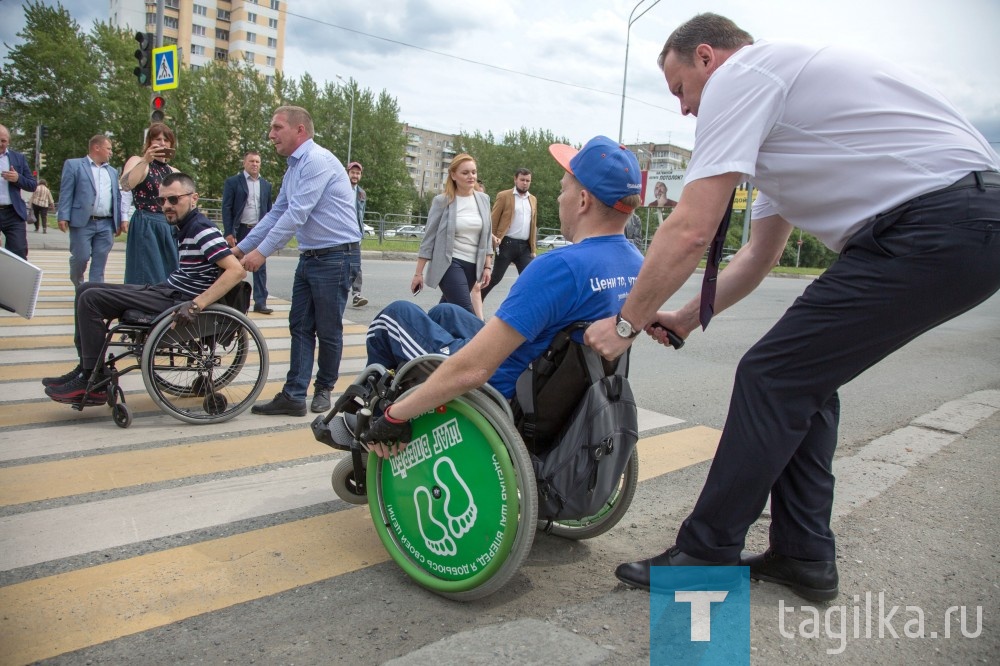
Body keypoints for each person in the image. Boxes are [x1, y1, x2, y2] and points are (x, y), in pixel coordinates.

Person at [584, 13, 1000, 600]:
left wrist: (625, 323)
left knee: (771, 376)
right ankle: (803, 555)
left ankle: (706, 552)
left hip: (932, 223)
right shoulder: (781, 119)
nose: (682, 109)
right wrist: (685, 316)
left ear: (707, 57)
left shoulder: (744, 77)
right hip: (958, 224)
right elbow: (758, 255)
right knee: (804, 380)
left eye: (679, 89)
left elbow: (690, 230)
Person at [358, 136, 644, 456]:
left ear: (582, 200)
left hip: (500, 394)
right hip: (555, 392)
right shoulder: (638, 268)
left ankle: (370, 426)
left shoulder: (560, 267)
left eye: (562, 189)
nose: (558, 198)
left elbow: (476, 370)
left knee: (393, 317)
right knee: (445, 314)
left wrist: (396, 415)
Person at [42, 172, 245, 404]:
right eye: (162, 201)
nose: (166, 206)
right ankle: (86, 368)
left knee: (91, 299)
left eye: (174, 199)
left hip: (179, 300)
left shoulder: (202, 228)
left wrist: (196, 304)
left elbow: (236, 271)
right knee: (85, 289)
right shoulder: (185, 227)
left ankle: (93, 376)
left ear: (194, 198)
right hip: (168, 290)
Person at [233, 106, 362, 416]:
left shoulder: (316, 161)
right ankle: (293, 395)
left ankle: (324, 389)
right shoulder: (294, 168)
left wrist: (261, 253)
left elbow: (296, 214)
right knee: (300, 326)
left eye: (277, 127)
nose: (271, 134)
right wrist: (240, 250)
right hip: (311, 256)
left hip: (336, 256)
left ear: (300, 130)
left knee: (328, 329)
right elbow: (276, 213)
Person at [411, 153, 493, 315]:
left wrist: (487, 266)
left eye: (474, 172)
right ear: (453, 175)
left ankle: (425, 335)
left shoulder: (483, 199)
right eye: (465, 173)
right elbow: (429, 238)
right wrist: (418, 273)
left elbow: (487, 234)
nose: (471, 176)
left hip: (472, 266)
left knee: (447, 310)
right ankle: (479, 337)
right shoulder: (442, 201)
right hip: (449, 264)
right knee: (465, 313)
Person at [57, 135, 127, 286]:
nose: (111, 152)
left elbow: (117, 197)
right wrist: (63, 216)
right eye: (108, 149)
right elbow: (66, 192)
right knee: (80, 258)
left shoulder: (113, 172)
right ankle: (78, 283)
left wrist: (121, 220)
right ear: (97, 147)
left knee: (100, 261)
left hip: (106, 224)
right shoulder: (74, 165)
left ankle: (94, 294)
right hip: (82, 222)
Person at [120, 123, 180, 285]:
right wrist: (146, 160)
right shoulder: (138, 161)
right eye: (157, 139)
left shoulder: (173, 171)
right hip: (146, 223)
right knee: (145, 272)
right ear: (149, 142)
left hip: (168, 226)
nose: (162, 143)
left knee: (169, 272)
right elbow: (126, 184)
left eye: (166, 140)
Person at [222, 151, 274, 314]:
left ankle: (260, 302)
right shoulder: (233, 182)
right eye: (251, 161)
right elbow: (227, 207)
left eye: (258, 161)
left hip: (258, 230)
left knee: (260, 266)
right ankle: (230, 301)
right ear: (245, 163)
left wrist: (269, 232)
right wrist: (229, 232)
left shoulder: (266, 185)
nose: (255, 164)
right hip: (240, 230)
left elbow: (269, 211)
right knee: (234, 266)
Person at [481, 168, 537, 301]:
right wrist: (491, 242)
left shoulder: (533, 199)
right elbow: (493, 221)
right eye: (522, 180)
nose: (525, 183)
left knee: (530, 280)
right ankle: (476, 301)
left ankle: (523, 310)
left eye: (527, 180)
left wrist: (533, 249)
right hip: (506, 244)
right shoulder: (504, 196)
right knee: (495, 278)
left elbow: (533, 224)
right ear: (515, 179)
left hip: (524, 247)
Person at [0, 124, 37, 259]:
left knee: (19, 252)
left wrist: (17, 178)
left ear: (8, 141)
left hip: (13, 212)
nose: (0, 144)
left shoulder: (18, 158)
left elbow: (32, 185)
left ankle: (16, 280)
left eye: (3, 141)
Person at [346, 161, 368, 308]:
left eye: (357, 173)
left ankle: (357, 295)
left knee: (356, 265)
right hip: (340, 234)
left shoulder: (361, 193)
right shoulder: (341, 188)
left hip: (355, 234)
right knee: (340, 264)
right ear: (347, 173)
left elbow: (362, 214)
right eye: (353, 172)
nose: (355, 175)